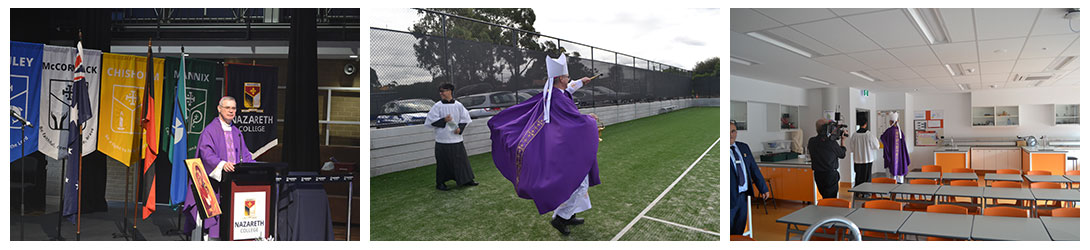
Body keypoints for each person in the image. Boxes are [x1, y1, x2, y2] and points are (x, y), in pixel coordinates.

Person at [488, 54, 598, 236]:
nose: (569, 78)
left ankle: (569, 215)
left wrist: (580, 82)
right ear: (561, 78)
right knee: (578, 182)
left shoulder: (554, 93)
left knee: (574, 181)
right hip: (563, 148)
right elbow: (574, 120)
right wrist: (590, 119)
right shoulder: (559, 99)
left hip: (558, 144)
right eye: (567, 76)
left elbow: (568, 90)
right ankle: (560, 219)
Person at [183, 96, 256, 240]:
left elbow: (245, 155)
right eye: (227, 107)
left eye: (233, 108)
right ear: (219, 108)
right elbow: (206, 154)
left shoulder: (237, 132)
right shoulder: (210, 130)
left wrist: (257, 166)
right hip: (213, 185)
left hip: (233, 184)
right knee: (214, 229)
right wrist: (222, 164)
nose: (231, 111)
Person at [424, 83, 478, 191]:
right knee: (443, 163)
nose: (441, 93)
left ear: (450, 91)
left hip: (456, 139)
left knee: (461, 161)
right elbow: (430, 121)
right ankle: (440, 183)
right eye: (440, 91)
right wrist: (444, 120)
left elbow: (465, 118)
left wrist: (460, 128)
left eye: (443, 91)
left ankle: (466, 180)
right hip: (442, 140)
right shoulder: (437, 106)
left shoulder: (458, 105)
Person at [729, 120, 769, 235]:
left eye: (733, 131)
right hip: (729, 197)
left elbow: (753, 169)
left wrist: (763, 188)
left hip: (743, 197)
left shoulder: (743, 147)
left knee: (739, 229)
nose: (731, 134)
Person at [808, 119, 846, 199]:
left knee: (825, 197)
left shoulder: (812, 141)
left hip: (818, 175)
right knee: (832, 199)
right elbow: (842, 154)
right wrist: (843, 141)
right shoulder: (831, 143)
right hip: (830, 175)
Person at [850, 118, 881, 186]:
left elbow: (851, 148)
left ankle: (858, 192)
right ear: (866, 124)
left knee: (858, 177)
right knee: (867, 177)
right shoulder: (869, 135)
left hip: (857, 160)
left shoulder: (854, 135)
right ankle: (866, 193)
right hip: (867, 159)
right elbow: (876, 146)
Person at [880, 112, 910, 183]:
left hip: (891, 157)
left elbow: (882, 139)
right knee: (899, 172)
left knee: (891, 178)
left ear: (890, 122)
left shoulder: (888, 132)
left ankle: (892, 187)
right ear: (897, 121)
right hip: (900, 158)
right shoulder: (900, 132)